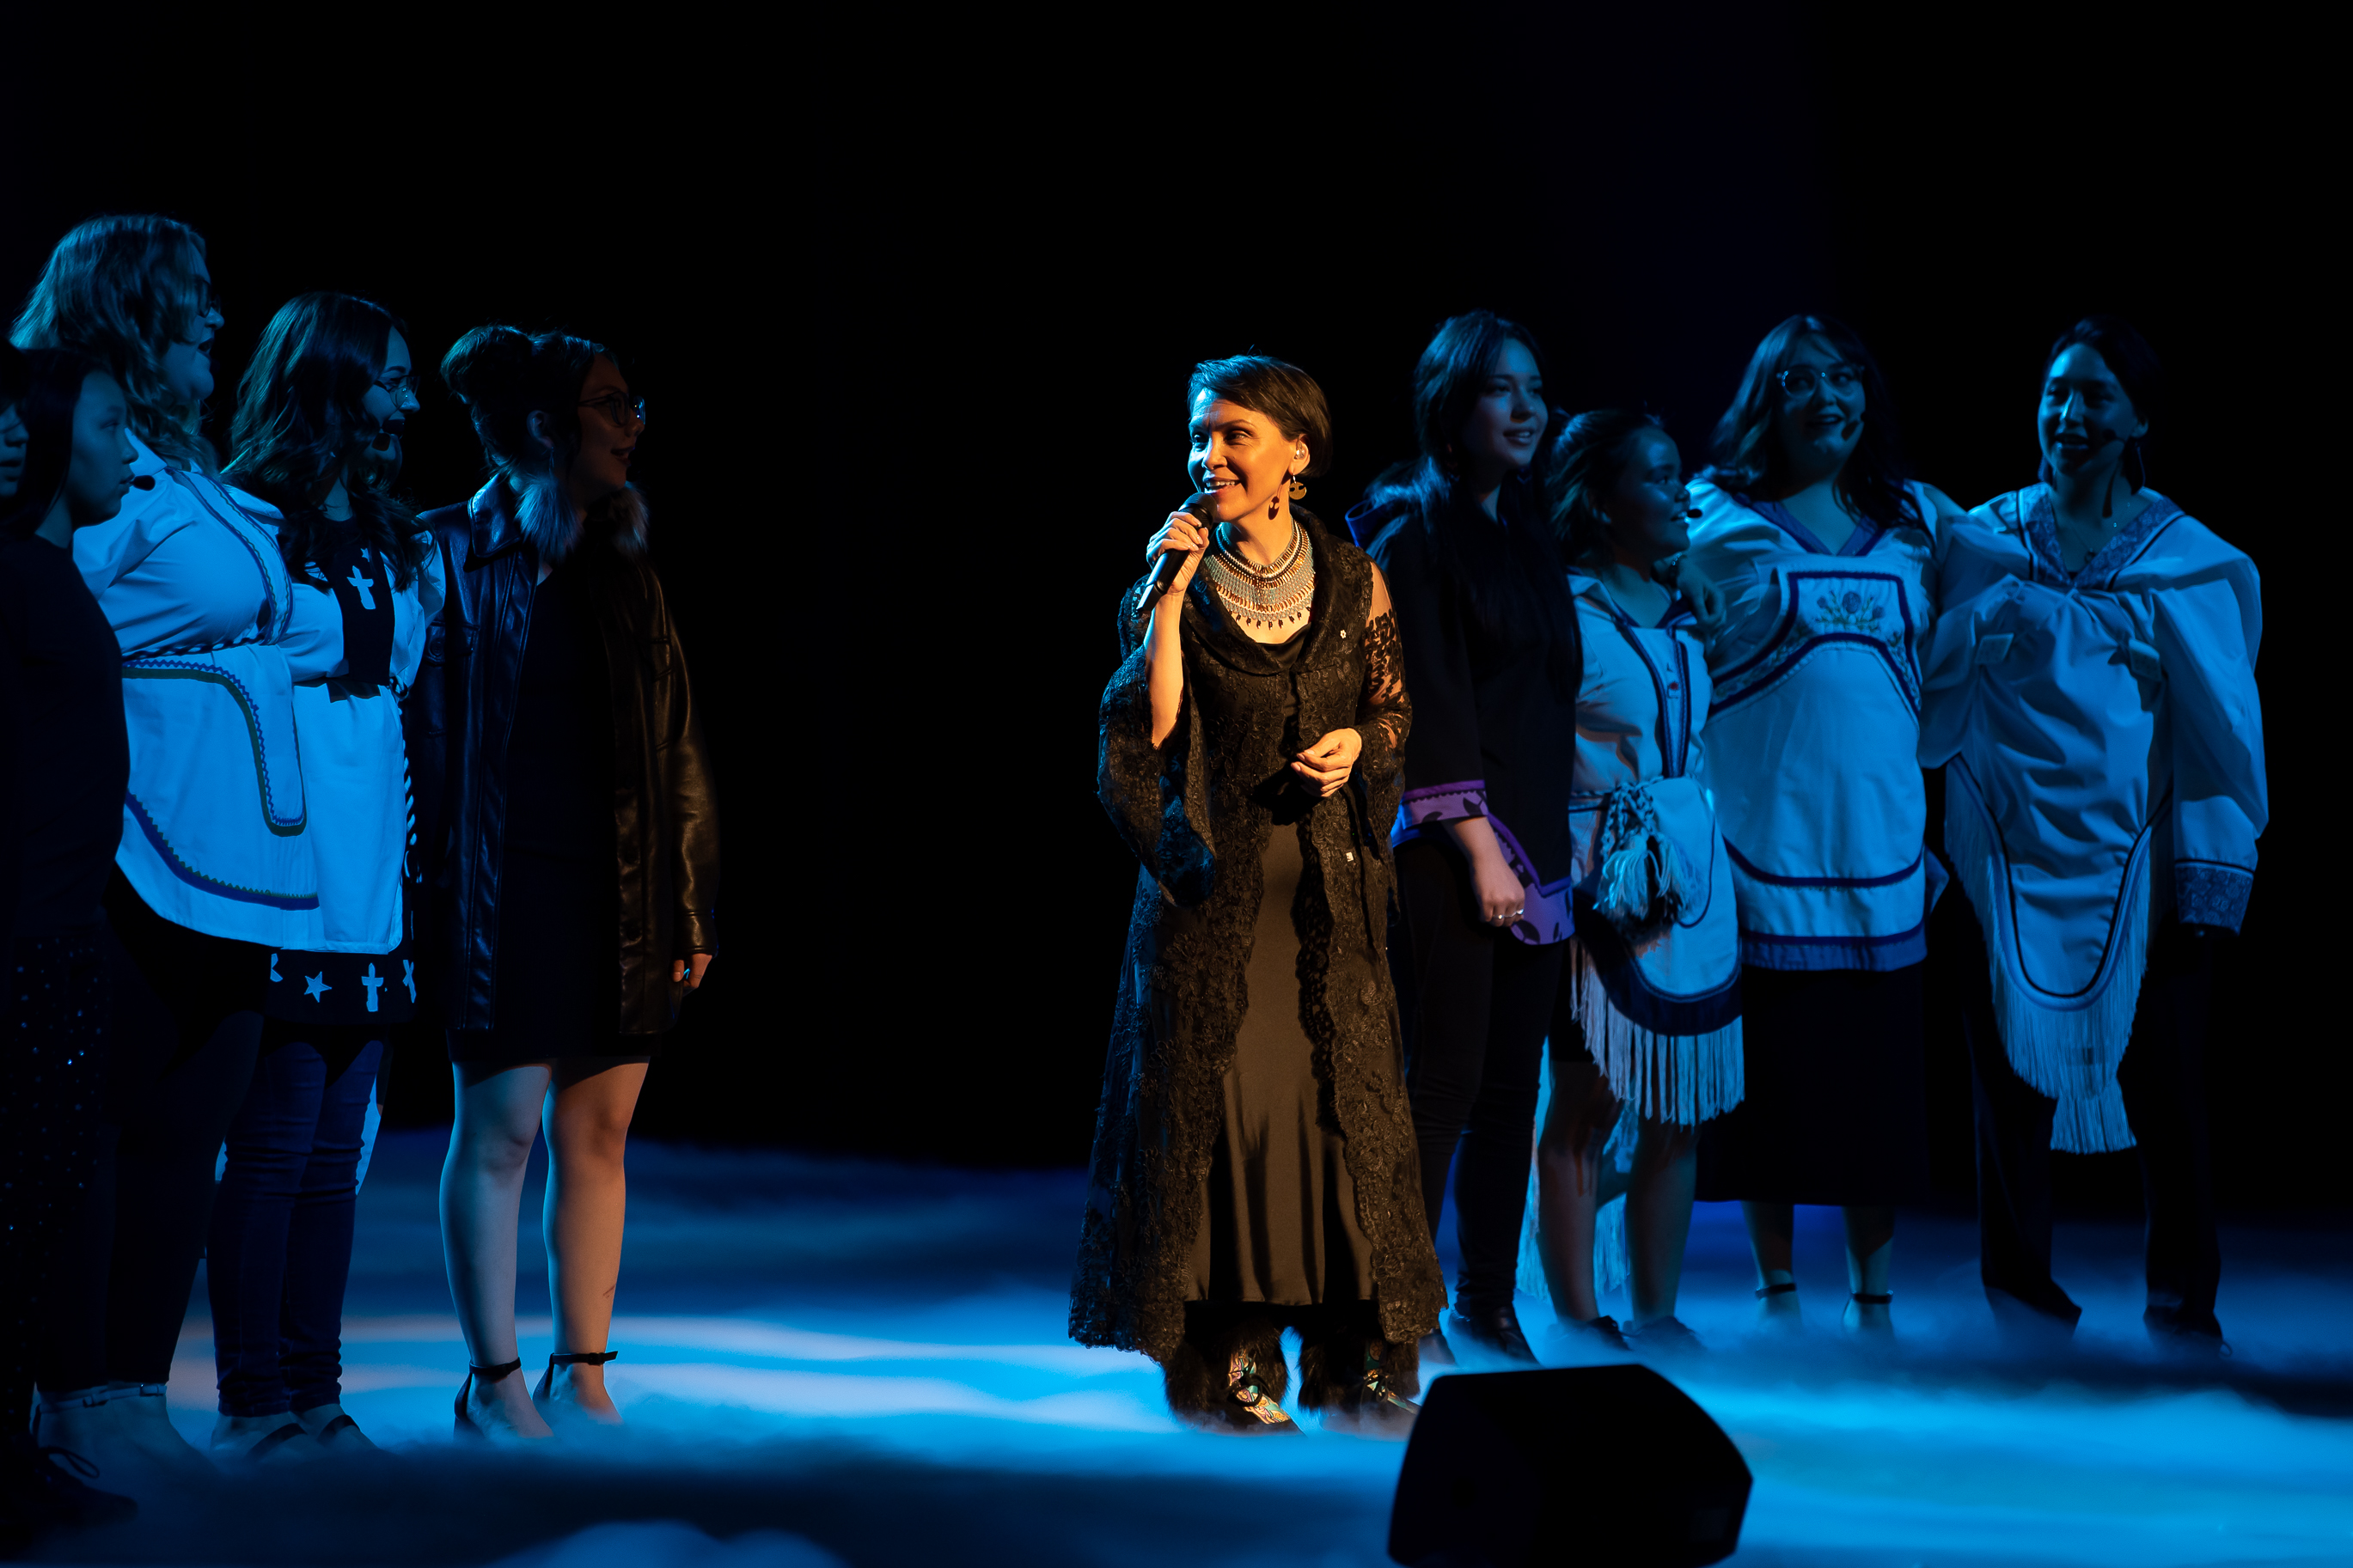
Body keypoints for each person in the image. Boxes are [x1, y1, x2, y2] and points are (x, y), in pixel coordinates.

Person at [1073, 354, 1442, 1434]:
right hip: (1212, 907)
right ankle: (1234, 1360)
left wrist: (1358, 744)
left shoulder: (1354, 578)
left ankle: (1357, 1360)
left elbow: (1392, 710)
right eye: (1200, 434)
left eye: (1234, 433)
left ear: (1297, 454)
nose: (1209, 455)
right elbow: (1148, 733)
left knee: (1339, 1124)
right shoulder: (1172, 586)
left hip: (1326, 906)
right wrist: (1168, 588)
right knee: (1231, 1128)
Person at [15, 215, 311, 1483]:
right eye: (195, 295)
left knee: (194, 1118)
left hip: (230, 856)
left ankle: (137, 1389)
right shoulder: (90, 471)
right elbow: (52, 613)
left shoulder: (182, 469)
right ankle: (76, 1396)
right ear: (136, 308)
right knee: (95, 1121)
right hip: (132, 850)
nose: (217, 317)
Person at [1918, 317, 2264, 1350]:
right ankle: (2020, 1302)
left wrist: (2209, 864)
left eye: (2094, 396)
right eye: (2055, 392)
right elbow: (1930, 679)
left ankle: (2182, 1306)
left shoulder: (2185, 561)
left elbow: (2222, 723)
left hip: (2138, 851)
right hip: (2006, 847)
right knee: (2005, 1093)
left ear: (2137, 419)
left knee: (2168, 1089)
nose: (2067, 414)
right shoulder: (1981, 539)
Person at [415, 326, 717, 1440]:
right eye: (609, 403)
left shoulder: (625, 562)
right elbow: (413, 734)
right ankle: (490, 1383)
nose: (632, 424)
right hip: (501, 885)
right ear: (546, 426)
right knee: (500, 1132)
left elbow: (678, 746)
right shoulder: (448, 550)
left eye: (633, 403)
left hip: (620, 887)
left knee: (599, 1138)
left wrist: (690, 904)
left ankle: (580, 1374)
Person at [1682, 315, 1970, 1333]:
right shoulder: (1712, 515)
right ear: (1766, 400)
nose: (1827, 397)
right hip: (1763, 844)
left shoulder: (1917, 521)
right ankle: (1776, 1290)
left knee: (1874, 1094)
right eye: (1800, 381)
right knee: (1772, 1091)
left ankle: (1872, 1298)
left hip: (1878, 843)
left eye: (1844, 377)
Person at [204, 295, 442, 1461]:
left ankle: (315, 1389)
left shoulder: (399, 541)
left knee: (339, 1153)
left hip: (368, 879)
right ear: (333, 381)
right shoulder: (245, 525)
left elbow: (397, 683)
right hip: (280, 875)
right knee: (275, 1143)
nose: (409, 401)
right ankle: (253, 1399)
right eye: (389, 378)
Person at [1345, 311, 1585, 1365]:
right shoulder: (1412, 534)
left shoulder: (1522, 538)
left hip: (1535, 855)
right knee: (1438, 1081)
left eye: (1534, 389)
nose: (1525, 409)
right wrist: (1479, 847)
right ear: (1452, 407)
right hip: (1450, 854)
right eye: (1500, 389)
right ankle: (1392, 1314)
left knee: (1507, 1095)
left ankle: (1487, 1305)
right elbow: (1425, 705)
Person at [1527, 411, 1740, 1353]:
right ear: (1601, 500)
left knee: (1676, 1109)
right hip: (1597, 882)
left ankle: (1656, 1312)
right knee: (1586, 1105)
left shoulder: (1687, 609)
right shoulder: (1561, 615)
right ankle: (1579, 1317)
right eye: (1656, 477)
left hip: (1689, 882)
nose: (1680, 494)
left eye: (1678, 473)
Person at [1, 347, 141, 1538]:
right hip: (22, 945)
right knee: (13, 1211)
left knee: (35, 1211)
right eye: (108, 425)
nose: (130, 451)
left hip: (59, 936)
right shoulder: (12, 578)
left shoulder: (52, 573)